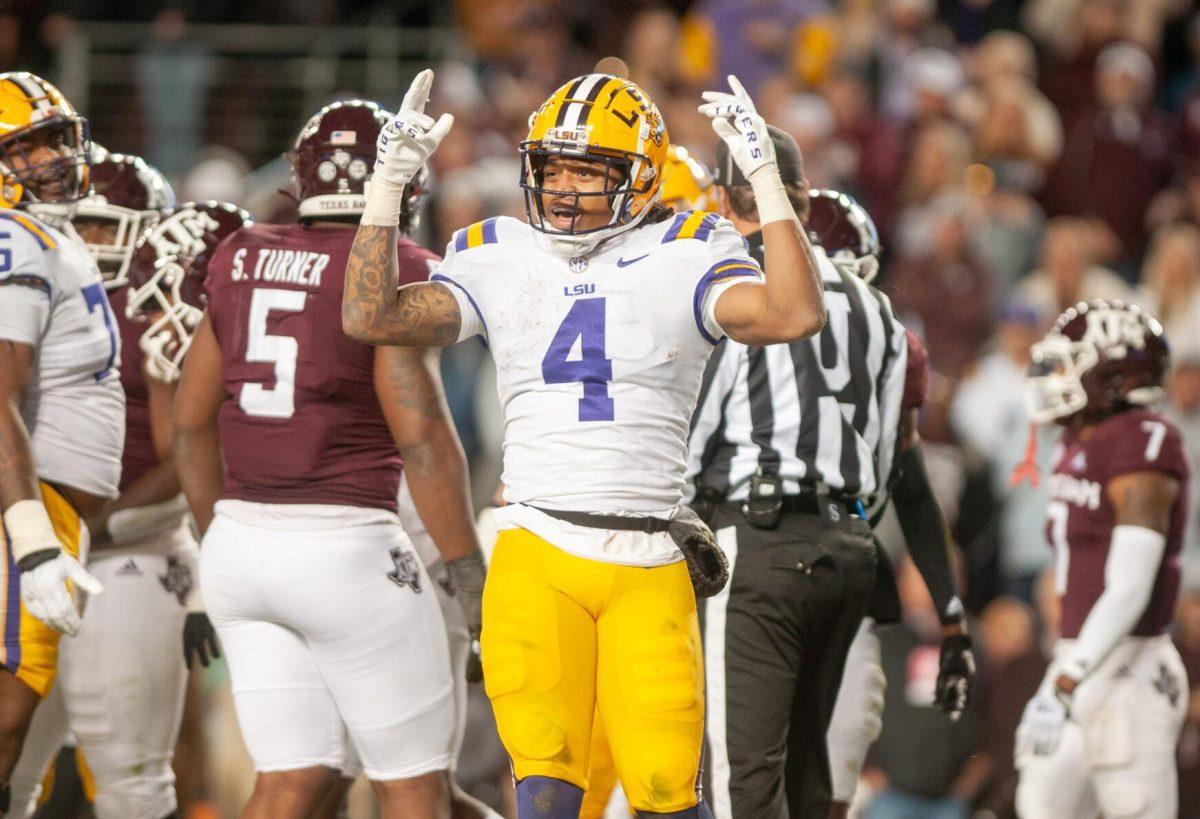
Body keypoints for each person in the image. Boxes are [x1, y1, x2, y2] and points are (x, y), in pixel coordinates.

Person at [342, 69, 827, 818]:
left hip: (650, 554)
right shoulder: (497, 249)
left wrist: (764, 179)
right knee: (545, 787)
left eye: (588, 170)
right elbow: (371, 317)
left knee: (670, 790)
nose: (564, 188)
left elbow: (793, 313)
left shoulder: (689, 245)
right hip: (536, 544)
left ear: (638, 180)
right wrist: (386, 190)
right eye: (553, 167)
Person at [174, 99, 487, 819]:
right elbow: (423, 437)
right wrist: (470, 574)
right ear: (403, 187)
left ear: (300, 176)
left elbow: (191, 426)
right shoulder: (400, 267)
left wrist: (215, 533)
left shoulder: (239, 252)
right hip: (347, 550)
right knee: (413, 788)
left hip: (240, 548)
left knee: (292, 781)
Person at [687, 150, 968, 819]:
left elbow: (693, 441)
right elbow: (893, 471)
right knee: (812, 785)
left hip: (759, 540)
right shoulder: (884, 314)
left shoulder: (742, 283)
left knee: (741, 785)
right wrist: (951, 610)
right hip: (848, 550)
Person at [8, 151, 190, 819]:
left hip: (123, 549)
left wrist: (98, 526)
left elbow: (193, 452)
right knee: (19, 761)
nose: (89, 239)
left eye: (106, 227)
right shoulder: (29, 275)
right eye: (83, 224)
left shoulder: (173, 306)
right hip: (40, 542)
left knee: (130, 773)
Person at [801, 190, 975, 819]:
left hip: (847, 566)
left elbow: (909, 477)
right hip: (752, 556)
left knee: (837, 773)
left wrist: (949, 610)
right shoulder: (743, 332)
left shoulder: (895, 349)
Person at [1015, 299, 1190, 819]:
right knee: (1040, 797)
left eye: (1072, 360)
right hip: (1079, 657)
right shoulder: (1077, 439)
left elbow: (1130, 586)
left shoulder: (1143, 440)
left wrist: (1068, 677)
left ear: (1111, 371)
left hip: (1129, 666)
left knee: (1131, 803)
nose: (1057, 375)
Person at [0, 71, 118, 816]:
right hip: (28, 506)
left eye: (54, 140)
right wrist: (30, 536)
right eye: (25, 148)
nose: (50, 160)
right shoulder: (13, 236)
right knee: (9, 708)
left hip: (50, 507)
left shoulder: (44, 234)